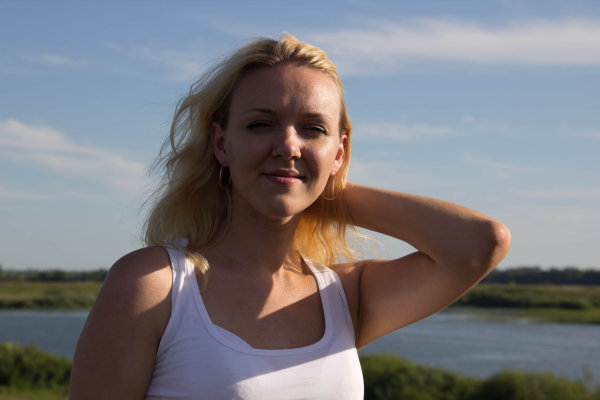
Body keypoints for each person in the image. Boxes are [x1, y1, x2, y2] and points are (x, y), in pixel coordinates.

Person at [69, 34, 510, 399]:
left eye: (312, 129)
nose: (288, 145)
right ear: (221, 144)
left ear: (340, 152)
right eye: (261, 124)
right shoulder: (155, 285)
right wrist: (302, 175)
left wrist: (318, 183)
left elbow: (481, 242)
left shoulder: (344, 296)